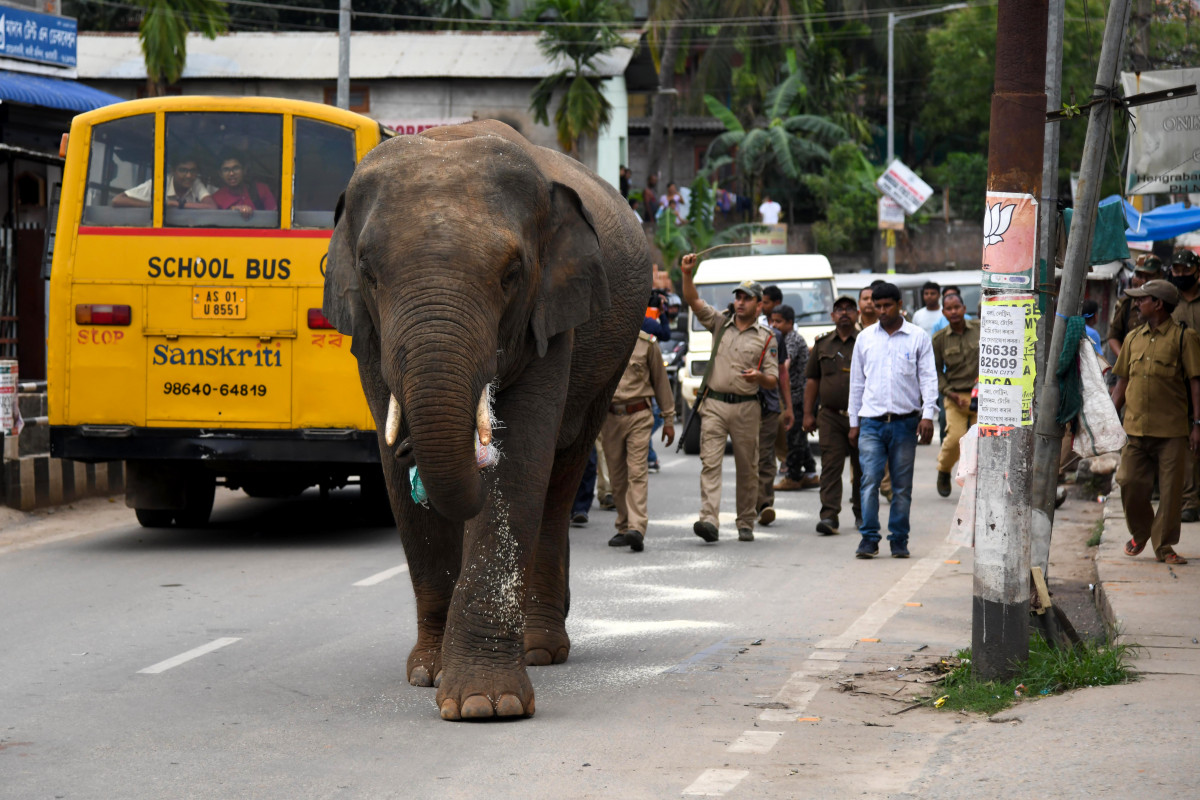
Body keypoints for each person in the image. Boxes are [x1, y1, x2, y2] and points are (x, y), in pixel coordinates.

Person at [680, 253, 779, 543]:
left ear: (759, 305)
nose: (740, 302)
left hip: (747, 408)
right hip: (714, 405)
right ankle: (709, 520)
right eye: (738, 297)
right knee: (710, 463)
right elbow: (693, 301)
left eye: (747, 298)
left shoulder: (767, 337)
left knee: (747, 467)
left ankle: (745, 521)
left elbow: (773, 379)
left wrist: (759, 377)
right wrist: (687, 274)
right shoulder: (719, 323)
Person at [1111, 279, 1200, 565]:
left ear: (1159, 304)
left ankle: (1164, 546)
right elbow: (1122, 381)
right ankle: (1141, 531)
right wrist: (1110, 418)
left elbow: (1196, 382)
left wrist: (1197, 424)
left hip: (1172, 430)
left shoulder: (1184, 338)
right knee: (1128, 481)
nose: (1137, 304)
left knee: (1171, 493)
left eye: (1142, 299)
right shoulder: (1132, 338)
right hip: (1135, 428)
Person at [848, 282, 938, 559]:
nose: (882, 311)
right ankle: (869, 538)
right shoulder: (865, 338)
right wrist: (853, 421)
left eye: (887, 305)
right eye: (878, 306)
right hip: (871, 422)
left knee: (901, 486)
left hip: (905, 422)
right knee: (869, 481)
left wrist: (928, 415)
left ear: (900, 305)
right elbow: (856, 383)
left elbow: (928, 378)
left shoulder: (918, 337)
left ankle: (899, 539)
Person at [602, 330, 676, 552]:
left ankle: (637, 528)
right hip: (610, 418)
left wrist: (668, 419)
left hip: (639, 414)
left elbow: (661, 383)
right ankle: (624, 525)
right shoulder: (605, 341)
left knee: (637, 471)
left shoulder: (647, 343)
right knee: (617, 475)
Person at [802, 296, 864, 536]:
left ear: (857, 313)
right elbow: (812, 380)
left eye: (849, 309)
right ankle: (829, 516)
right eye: (839, 309)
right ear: (832, 316)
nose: (844, 313)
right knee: (830, 466)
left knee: (863, 467)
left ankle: (862, 514)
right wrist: (807, 414)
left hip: (863, 415)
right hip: (830, 415)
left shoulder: (866, 341)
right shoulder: (822, 343)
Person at [932, 293, 979, 497]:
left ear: (964, 308)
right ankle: (944, 469)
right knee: (954, 439)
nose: (953, 312)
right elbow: (936, 372)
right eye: (949, 309)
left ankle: (976, 484)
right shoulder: (939, 339)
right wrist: (950, 394)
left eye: (957, 307)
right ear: (943, 312)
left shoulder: (980, 329)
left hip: (981, 395)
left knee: (981, 442)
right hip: (955, 397)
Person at [771, 304, 820, 492]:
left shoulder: (791, 339)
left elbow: (785, 363)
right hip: (794, 396)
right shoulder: (784, 338)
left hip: (799, 397)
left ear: (790, 323)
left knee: (793, 438)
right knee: (799, 436)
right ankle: (810, 473)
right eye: (772, 321)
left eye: (779, 321)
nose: (774, 325)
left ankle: (793, 476)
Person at [1167, 249, 1200, 522]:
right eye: (1176, 270)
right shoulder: (1168, 301)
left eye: (1185, 270)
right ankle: (1188, 500)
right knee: (1185, 441)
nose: (1180, 275)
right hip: (1177, 384)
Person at [755, 304, 792, 527]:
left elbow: (782, 373)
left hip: (768, 405)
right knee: (748, 457)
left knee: (765, 456)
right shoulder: (728, 332)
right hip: (741, 406)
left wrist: (788, 407)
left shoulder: (774, 336)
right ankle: (748, 504)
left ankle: (764, 504)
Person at [113, 153, 216, 209]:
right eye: (183, 170)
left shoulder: (195, 182)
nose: (189, 175)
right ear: (173, 171)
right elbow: (118, 200)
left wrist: (176, 204)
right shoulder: (160, 183)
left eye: (193, 171)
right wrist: (156, 206)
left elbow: (211, 207)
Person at [1109, 254, 1161, 358]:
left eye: (1149, 276)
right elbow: (1113, 337)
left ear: (1160, 276)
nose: (1144, 281)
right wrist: (1125, 361)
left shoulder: (1168, 302)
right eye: (1139, 276)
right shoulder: (1126, 303)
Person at [211, 152, 277, 218]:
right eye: (226, 170)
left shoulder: (261, 189)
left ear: (244, 170)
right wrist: (232, 211)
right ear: (220, 174)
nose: (231, 173)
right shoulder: (216, 198)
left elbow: (273, 217)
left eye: (236, 168)